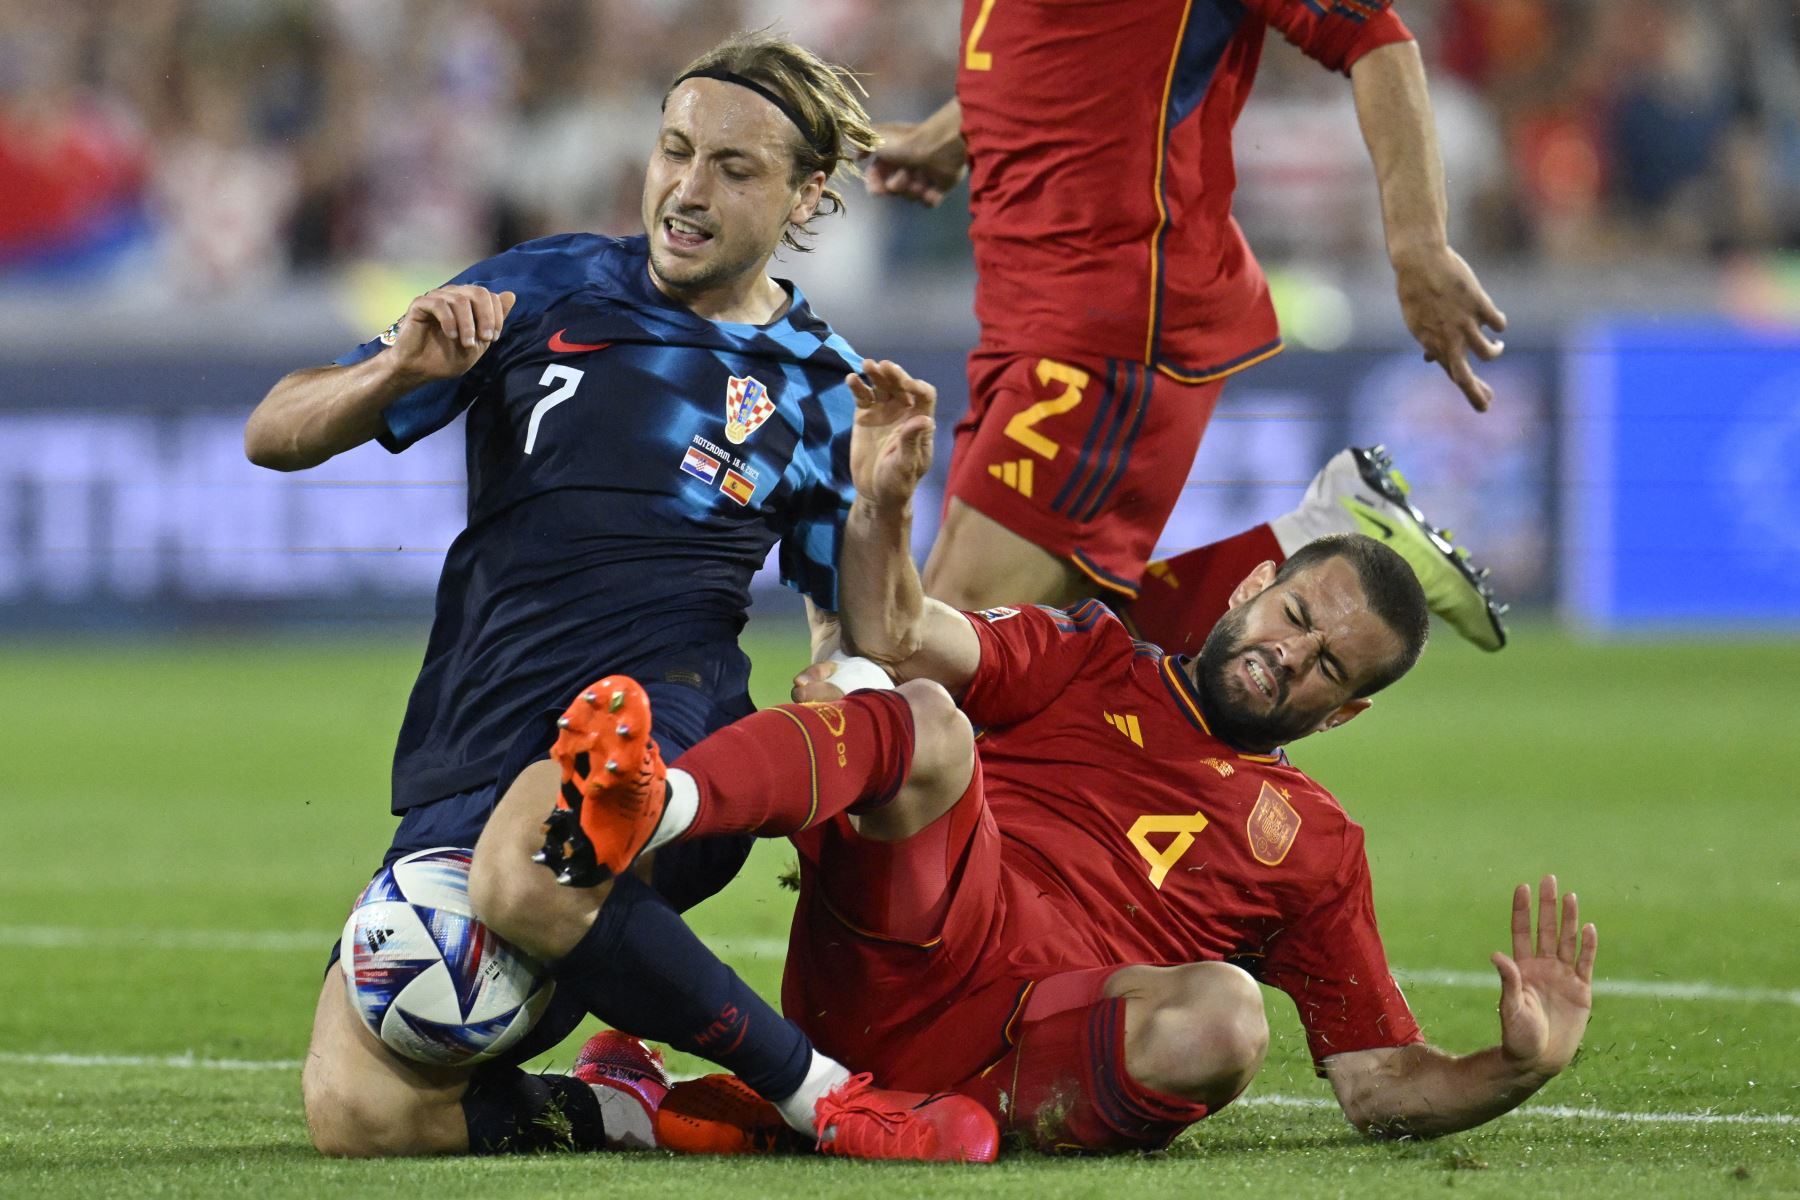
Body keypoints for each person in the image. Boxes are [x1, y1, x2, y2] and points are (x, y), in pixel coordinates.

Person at [244, 31, 995, 1163]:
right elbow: (275, 432)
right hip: (474, 742)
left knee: (525, 864)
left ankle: (823, 1099)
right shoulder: (537, 285)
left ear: (806, 196)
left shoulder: (826, 383)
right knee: (362, 1114)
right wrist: (394, 372)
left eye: (735, 169)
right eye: (675, 152)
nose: (688, 191)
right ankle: (617, 1107)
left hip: (667, 722)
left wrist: (881, 512)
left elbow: (870, 631)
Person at [536, 376, 1596, 1151]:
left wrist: (1512, 1069)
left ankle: (870, 1114)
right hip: (904, 943)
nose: (1289, 655)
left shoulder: (1316, 849)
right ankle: (655, 803)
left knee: (1227, 1017)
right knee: (906, 709)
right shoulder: (1084, 657)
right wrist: (889, 504)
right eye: (1295, 615)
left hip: (1023, 1055)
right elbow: (906, 628)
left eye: (1327, 665)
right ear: (1250, 586)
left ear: (1343, 715)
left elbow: (1376, 1084)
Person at [866, 0, 1510, 652]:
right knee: (1035, 657)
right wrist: (953, 133)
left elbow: (1375, 35)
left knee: (949, 641)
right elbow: (1066, 43)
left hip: (1111, 320)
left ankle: (1324, 540)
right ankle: (1315, 537)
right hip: (1022, 312)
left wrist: (1418, 245)